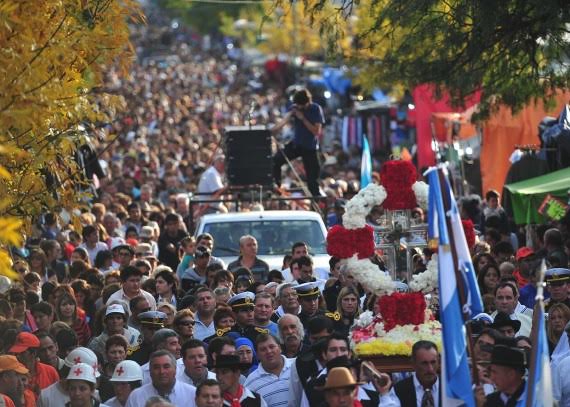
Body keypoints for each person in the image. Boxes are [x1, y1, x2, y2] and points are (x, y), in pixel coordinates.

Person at [272, 88, 325, 197]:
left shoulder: (315, 109)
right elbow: (284, 120)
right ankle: (277, 186)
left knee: (312, 180)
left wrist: (303, 118)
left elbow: (316, 131)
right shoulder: (295, 108)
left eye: (301, 105)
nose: (299, 108)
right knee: (276, 160)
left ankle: (316, 201)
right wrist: (273, 130)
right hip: (297, 144)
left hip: (310, 147)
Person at [126, 350, 196, 407]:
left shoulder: (192, 394)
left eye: (166, 367)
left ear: (175, 369)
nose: (161, 372)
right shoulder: (136, 396)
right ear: (150, 371)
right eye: (156, 367)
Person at [244, 334, 293, 407]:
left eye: (272, 347)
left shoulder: (296, 366)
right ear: (257, 355)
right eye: (263, 349)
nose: (269, 351)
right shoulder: (250, 382)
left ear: (280, 348)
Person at [8, 331, 59, 398]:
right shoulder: (11, 375)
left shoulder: (50, 371)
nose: (17, 356)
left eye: (22, 353)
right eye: (16, 353)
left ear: (33, 353)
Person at [394, 340, 440, 406]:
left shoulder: (449, 388)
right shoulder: (398, 390)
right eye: (424, 363)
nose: (430, 369)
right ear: (413, 364)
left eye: (433, 362)